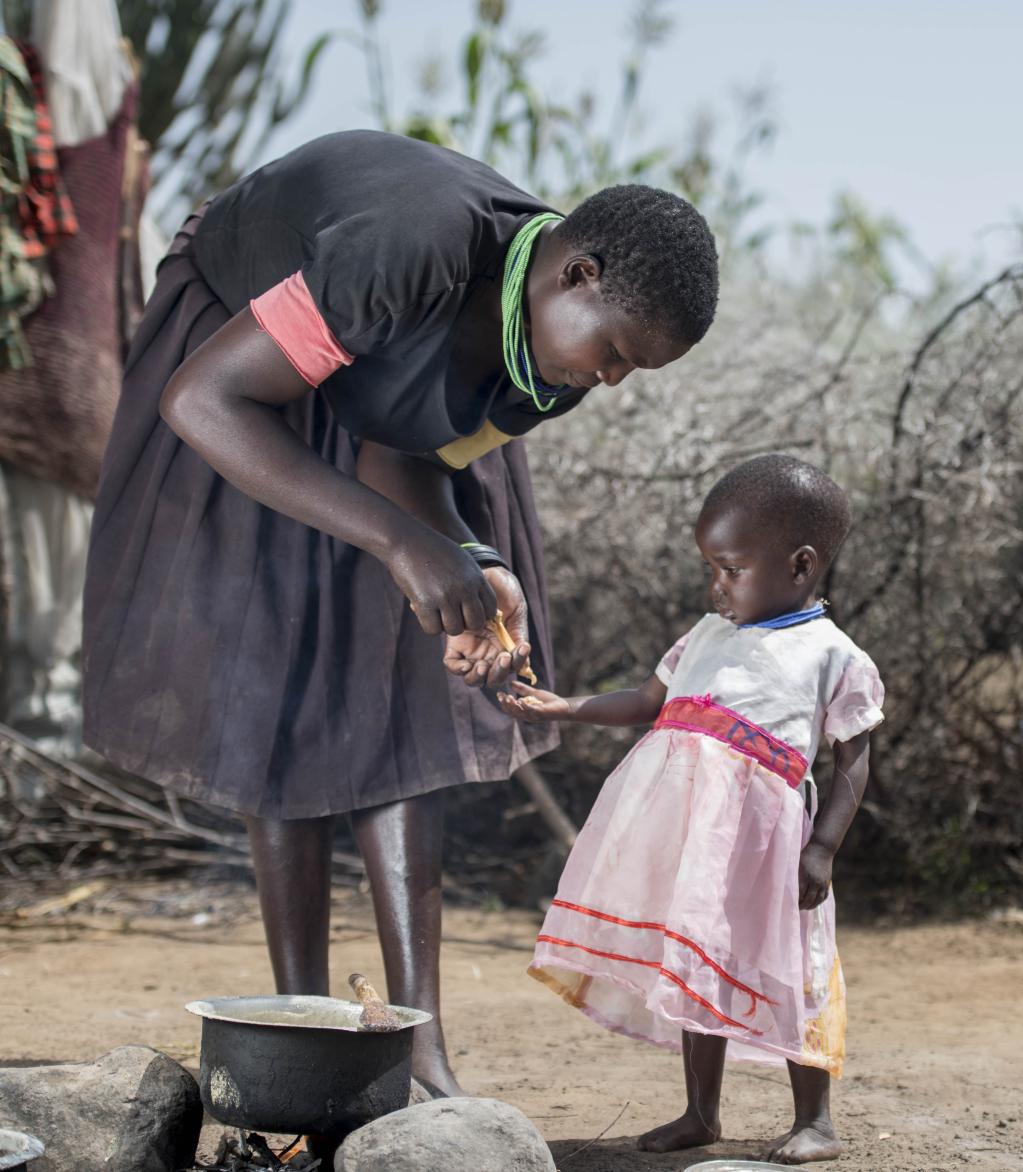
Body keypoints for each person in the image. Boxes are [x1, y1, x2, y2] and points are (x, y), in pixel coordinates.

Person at [81, 129, 719, 1098]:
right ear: (575, 274)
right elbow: (205, 400)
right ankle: (297, 1034)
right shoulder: (406, 245)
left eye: (636, 369)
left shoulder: (553, 352)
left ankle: (417, 1048)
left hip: (356, 369)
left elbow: (404, 454)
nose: (612, 380)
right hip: (244, 357)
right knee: (277, 688)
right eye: (619, 353)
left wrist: (470, 558)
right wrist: (396, 543)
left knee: (407, 697)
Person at [500, 454, 884, 1165]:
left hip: (770, 850)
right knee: (696, 963)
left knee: (795, 969)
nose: (717, 585)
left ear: (800, 567)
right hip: (692, 841)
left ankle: (816, 1121)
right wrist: (564, 706)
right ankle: (699, 1114)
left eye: (731, 569)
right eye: (712, 567)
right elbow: (648, 706)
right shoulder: (704, 636)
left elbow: (852, 760)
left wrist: (823, 847)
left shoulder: (834, 655)